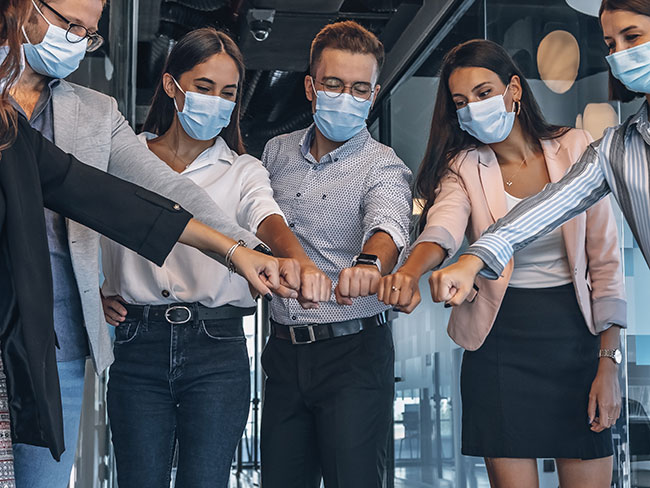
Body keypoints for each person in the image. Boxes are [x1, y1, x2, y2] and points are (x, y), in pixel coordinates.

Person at [0, 0, 295, 480]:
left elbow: (157, 195)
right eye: (69, 25)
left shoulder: (95, 115)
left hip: (58, 337)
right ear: (23, 8)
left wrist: (242, 250)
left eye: (88, 34)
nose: (76, 41)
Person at [378, 39, 625, 487]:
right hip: (499, 344)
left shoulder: (577, 148)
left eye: (482, 92)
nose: (473, 108)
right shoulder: (462, 166)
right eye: (460, 102)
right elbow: (444, 227)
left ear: (513, 89)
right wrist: (412, 271)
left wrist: (609, 363)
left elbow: (606, 264)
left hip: (578, 342)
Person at [98, 28, 330, 488]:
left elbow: (266, 216)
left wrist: (297, 260)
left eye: (228, 93)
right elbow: (81, 229)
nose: (217, 103)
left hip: (216, 346)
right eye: (204, 88)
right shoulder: (122, 158)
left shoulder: (243, 169)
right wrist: (95, 291)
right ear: (171, 85)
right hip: (136, 341)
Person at [260, 20, 413, 488]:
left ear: (374, 93)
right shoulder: (276, 152)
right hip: (283, 352)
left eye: (359, 88)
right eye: (333, 84)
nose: (346, 97)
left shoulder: (382, 163)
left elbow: (388, 224)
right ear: (310, 86)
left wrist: (369, 264)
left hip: (354, 353)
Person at [430, 5, 649, 327]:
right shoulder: (617, 148)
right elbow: (550, 205)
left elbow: (605, 261)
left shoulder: (576, 143)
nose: (619, 55)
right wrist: (472, 259)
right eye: (612, 45)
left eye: (632, 37)